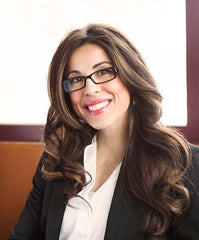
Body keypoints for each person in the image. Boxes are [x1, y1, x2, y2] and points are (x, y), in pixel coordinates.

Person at [9, 23, 199, 240]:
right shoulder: (57, 158)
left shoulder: (186, 165)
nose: (90, 89)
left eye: (103, 71)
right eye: (76, 79)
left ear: (131, 75)